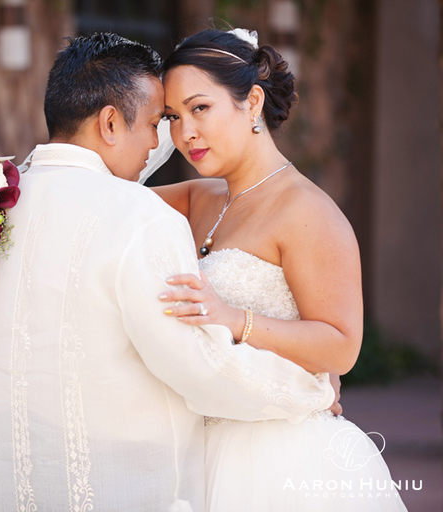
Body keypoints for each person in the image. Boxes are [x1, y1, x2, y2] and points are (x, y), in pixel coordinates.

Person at [0, 32, 337, 512]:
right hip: (125, 492)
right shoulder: (140, 218)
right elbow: (197, 367)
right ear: (110, 122)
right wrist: (308, 389)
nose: (159, 142)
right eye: (157, 122)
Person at [152, 28, 407, 511]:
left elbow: (341, 345)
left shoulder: (307, 211)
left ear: (251, 102)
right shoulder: (199, 198)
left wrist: (233, 319)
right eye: (172, 117)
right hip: (199, 450)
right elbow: (108, 203)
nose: (184, 134)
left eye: (199, 108)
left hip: (279, 459)